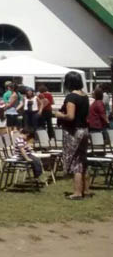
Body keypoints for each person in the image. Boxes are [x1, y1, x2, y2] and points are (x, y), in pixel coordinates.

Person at [54, 71, 90, 200]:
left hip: (73, 132)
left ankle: (77, 192)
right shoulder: (85, 96)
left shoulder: (71, 97)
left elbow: (70, 116)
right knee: (82, 160)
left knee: (75, 162)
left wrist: (59, 115)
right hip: (84, 130)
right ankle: (85, 190)